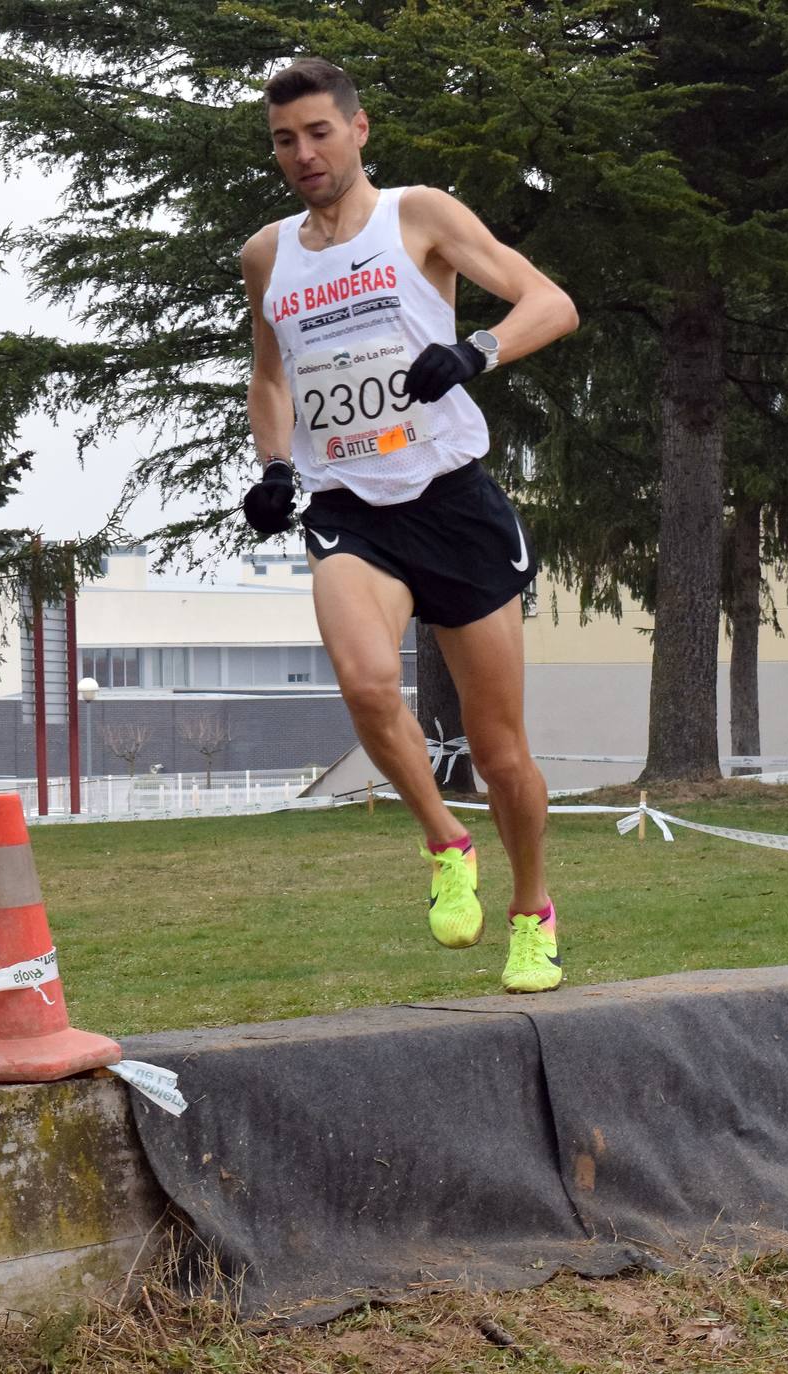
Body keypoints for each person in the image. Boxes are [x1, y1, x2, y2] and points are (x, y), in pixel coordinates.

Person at [241, 59, 578, 992]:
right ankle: (443, 843)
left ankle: (531, 912)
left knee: (501, 749)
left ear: (358, 130)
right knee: (363, 681)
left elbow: (549, 302)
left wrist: (473, 351)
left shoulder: (418, 215)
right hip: (350, 507)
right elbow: (270, 378)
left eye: (317, 132)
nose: (302, 153)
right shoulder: (267, 256)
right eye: (283, 139)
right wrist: (275, 467)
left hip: (451, 502)